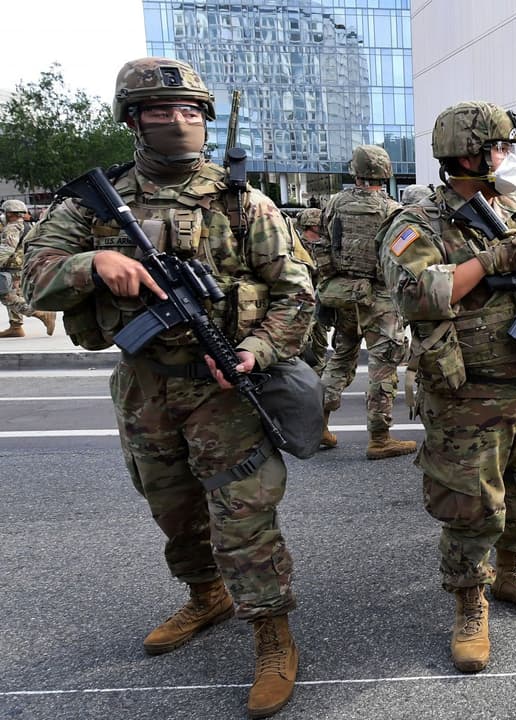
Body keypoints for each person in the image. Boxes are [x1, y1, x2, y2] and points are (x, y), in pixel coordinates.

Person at [23, 57, 312, 718]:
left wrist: (256, 349)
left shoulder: (243, 202)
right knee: (173, 509)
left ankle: (271, 632)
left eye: (190, 112)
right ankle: (206, 595)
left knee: (244, 515)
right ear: (132, 120)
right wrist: (94, 262)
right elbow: (32, 277)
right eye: (161, 111)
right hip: (146, 387)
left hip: (223, 390)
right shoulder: (92, 203)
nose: (179, 122)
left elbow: (296, 293)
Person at [377, 100, 516, 673]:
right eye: (500, 148)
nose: (509, 157)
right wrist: (491, 260)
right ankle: (471, 601)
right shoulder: (418, 222)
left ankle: (513, 571)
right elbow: (417, 294)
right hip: (467, 395)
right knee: (472, 506)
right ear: (467, 154)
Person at [316, 145, 417, 460]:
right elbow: (403, 255)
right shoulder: (393, 210)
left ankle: (318, 426)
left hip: (343, 293)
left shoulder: (334, 203)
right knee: (382, 366)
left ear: (355, 171)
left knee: (341, 358)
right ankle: (379, 438)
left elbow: (323, 245)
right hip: (380, 299)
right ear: (385, 173)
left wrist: (334, 280)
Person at [0, 199, 56, 337]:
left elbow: (7, 249)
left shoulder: (12, 227)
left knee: (7, 296)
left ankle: (41, 314)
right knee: (15, 294)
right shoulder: (27, 225)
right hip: (22, 264)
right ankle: (16, 327)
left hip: (12, 266)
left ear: (9, 213)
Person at [294, 208, 332, 373]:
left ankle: (317, 377)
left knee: (320, 345)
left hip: (320, 302)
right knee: (301, 344)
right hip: (302, 304)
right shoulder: (296, 247)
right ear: (310, 225)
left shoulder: (324, 246)